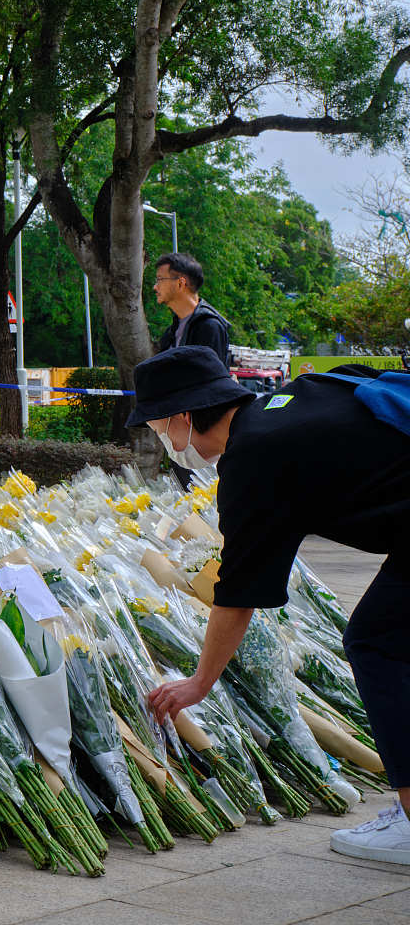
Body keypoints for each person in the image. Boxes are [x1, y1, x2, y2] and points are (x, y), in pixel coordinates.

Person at [134, 345, 410, 866]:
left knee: (377, 643)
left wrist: (199, 683)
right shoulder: (299, 397)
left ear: (183, 417)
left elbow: (237, 594)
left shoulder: (254, 456)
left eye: (156, 427)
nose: (161, 440)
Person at [152, 251, 231, 365]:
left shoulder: (209, 327)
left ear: (180, 283)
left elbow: (210, 379)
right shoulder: (171, 332)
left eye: (160, 279)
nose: (155, 287)